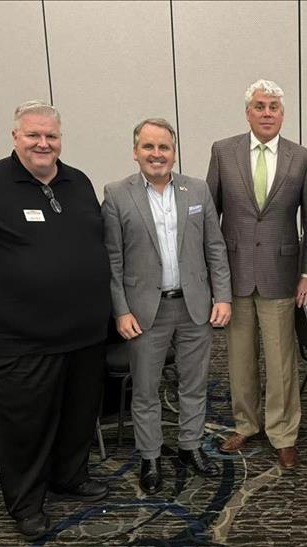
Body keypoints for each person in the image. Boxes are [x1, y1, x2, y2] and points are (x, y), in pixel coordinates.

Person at [0, 100, 111, 540]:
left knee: (78, 417)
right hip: (21, 339)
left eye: (51, 136)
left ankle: (69, 477)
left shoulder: (78, 181)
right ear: (15, 136)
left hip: (85, 334)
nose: (43, 143)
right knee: (24, 427)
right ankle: (26, 503)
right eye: (33, 135)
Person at [102, 118, 231, 494]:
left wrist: (222, 295)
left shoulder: (197, 190)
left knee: (194, 383)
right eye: (149, 147)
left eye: (164, 148)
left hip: (194, 307)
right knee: (146, 389)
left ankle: (190, 446)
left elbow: (215, 247)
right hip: (144, 312)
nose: (157, 154)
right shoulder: (116, 194)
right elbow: (112, 260)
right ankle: (151, 456)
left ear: (174, 152)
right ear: (135, 151)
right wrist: (120, 310)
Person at [206, 79, 307, 469]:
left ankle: (283, 433)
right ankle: (245, 423)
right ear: (248, 112)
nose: (267, 112)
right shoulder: (223, 152)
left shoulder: (302, 158)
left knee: (281, 360)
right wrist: (213, 276)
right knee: (239, 358)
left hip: (281, 274)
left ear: (283, 114)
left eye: (274, 106)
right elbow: (209, 218)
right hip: (235, 275)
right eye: (259, 106)